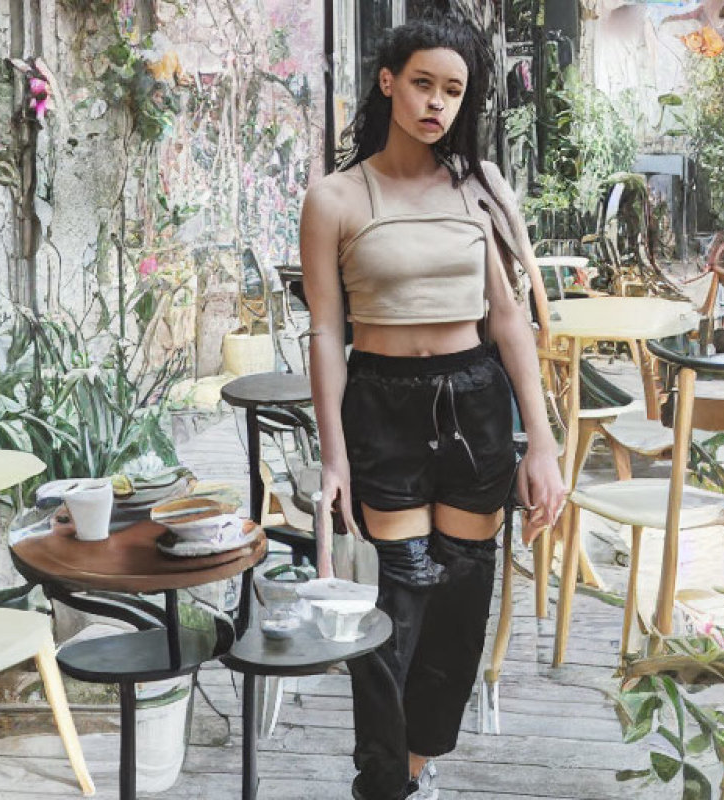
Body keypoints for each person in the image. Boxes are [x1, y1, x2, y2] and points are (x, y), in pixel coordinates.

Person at [300, 11, 565, 800]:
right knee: (394, 604)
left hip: (475, 403)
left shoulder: (479, 189)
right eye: (423, 83)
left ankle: (414, 768)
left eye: (453, 90)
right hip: (382, 406)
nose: (436, 104)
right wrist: (334, 458)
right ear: (389, 82)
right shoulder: (337, 197)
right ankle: (380, 780)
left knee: (460, 596)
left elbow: (510, 320)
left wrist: (540, 443)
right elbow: (324, 330)